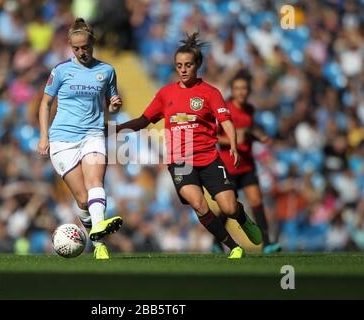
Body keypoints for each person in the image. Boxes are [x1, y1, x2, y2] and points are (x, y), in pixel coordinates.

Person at [116, 32, 262, 258]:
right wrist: (117, 128)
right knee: (199, 205)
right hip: (180, 161)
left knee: (229, 208)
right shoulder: (166, 93)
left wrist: (232, 145)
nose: (183, 70)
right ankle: (233, 247)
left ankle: (242, 217)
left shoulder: (210, 93)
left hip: (208, 158)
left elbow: (226, 121)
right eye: (179, 65)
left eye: (188, 65)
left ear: (197, 65)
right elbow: (144, 120)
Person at [37, 18, 123, 260]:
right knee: (83, 200)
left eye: (85, 47)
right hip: (62, 140)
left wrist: (115, 106)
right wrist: (44, 136)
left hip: (93, 135)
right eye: (76, 48)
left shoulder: (106, 71)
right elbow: (45, 104)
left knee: (95, 182)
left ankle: (100, 243)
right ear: (70, 47)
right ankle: (98, 242)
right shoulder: (61, 71)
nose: (81, 52)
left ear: (92, 43)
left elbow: (112, 104)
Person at [217, 70, 281, 253]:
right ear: (232, 90)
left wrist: (260, 137)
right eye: (237, 88)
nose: (241, 92)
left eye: (244, 88)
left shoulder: (250, 109)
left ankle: (267, 243)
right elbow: (214, 136)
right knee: (229, 208)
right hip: (229, 165)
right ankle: (216, 241)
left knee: (256, 200)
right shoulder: (224, 109)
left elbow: (249, 131)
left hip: (247, 164)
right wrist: (234, 139)